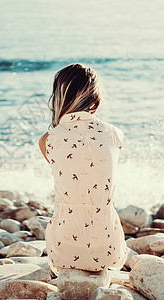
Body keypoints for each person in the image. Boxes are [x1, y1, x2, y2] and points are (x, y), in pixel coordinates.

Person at [39, 63, 128, 277]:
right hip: (108, 249)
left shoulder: (48, 140)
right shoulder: (115, 134)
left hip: (63, 250)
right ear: (96, 103)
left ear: (58, 100)